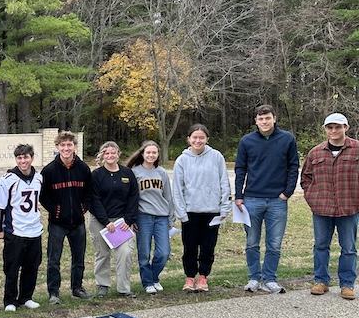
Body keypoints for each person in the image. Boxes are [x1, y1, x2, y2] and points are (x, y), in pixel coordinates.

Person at [234, 104, 299, 295]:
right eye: (261, 119)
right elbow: (240, 169)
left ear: (274, 118)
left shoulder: (287, 139)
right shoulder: (247, 141)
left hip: (277, 201)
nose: (264, 122)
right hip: (252, 199)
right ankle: (254, 277)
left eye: (268, 118)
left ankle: (270, 279)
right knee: (252, 242)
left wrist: (287, 193)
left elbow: (293, 166)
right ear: (256, 121)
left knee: (275, 243)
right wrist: (239, 195)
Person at [301, 112, 359, 301]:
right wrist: (312, 198)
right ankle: (321, 281)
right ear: (325, 129)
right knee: (320, 246)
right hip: (322, 208)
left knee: (349, 248)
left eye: (338, 127)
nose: (334, 131)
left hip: (349, 207)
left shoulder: (357, 149)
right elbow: (306, 178)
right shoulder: (315, 152)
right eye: (330, 127)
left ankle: (347, 284)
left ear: (346, 128)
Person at [172, 124, 231, 292]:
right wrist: (181, 213)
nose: (198, 140)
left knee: (208, 246)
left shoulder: (216, 157)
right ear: (189, 139)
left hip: (212, 212)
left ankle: (203, 276)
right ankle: (190, 277)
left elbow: (224, 183)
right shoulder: (182, 160)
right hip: (190, 212)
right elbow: (177, 188)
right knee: (189, 247)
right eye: (194, 137)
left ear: (207, 139)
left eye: (201, 137)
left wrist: (224, 209)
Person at [39, 131, 94, 304]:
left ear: (75, 147)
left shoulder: (83, 168)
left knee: (79, 258)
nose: (66, 148)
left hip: (77, 222)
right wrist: (56, 210)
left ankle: (77, 288)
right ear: (57, 147)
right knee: (54, 259)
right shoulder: (49, 170)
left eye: (69, 145)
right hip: (57, 223)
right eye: (62, 145)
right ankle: (53, 292)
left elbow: (89, 193)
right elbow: (43, 196)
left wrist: (82, 208)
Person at [0, 143, 44, 311]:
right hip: (15, 230)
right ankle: (10, 300)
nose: (23, 161)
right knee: (12, 268)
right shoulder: (8, 179)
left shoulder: (38, 178)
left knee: (32, 266)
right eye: (19, 158)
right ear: (16, 159)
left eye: (26, 157)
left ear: (32, 158)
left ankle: (26, 297)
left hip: (34, 229)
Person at [89, 142, 140, 298]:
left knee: (125, 253)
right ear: (102, 155)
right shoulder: (96, 175)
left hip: (122, 223)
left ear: (118, 154)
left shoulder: (127, 173)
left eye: (113, 153)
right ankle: (103, 285)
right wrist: (106, 222)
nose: (110, 156)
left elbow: (133, 197)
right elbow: (94, 200)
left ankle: (124, 288)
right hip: (100, 222)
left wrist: (128, 220)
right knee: (102, 254)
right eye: (106, 153)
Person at [125, 140, 174, 295]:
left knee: (163, 252)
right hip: (143, 216)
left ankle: (153, 277)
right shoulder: (134, 172)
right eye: (148, 152)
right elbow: (130, 198)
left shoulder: (161, 173)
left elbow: (168, 197)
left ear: (158, 154)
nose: (151, 155)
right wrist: (132, 219)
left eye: (154, 152)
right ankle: (148, 283)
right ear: (142, 154)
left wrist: (171, 218)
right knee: (144, 252)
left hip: (161, 217)